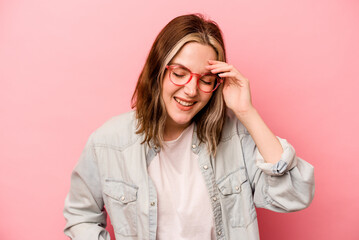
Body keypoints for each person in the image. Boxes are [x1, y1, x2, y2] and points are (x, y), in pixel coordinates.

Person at [63, 13, 315, 240]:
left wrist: (247, 112)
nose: (191, 91)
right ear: (157, 70)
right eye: (180, 74)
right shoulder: (109, 142)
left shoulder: (235, 135)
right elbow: (80, 216)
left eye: (206, 80)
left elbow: (294, 195)